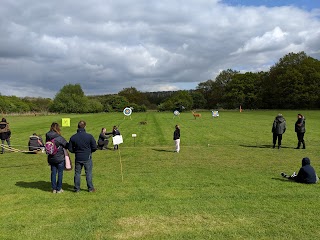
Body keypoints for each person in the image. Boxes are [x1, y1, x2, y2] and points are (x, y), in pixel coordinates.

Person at [68, 120, 97, 193]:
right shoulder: (89, 136)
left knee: (77, 173)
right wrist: (89, 151)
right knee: (88, 173)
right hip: (87, 156)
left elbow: (70, 148)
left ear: (77, 127)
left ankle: (77, 188)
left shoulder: (73, 137)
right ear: (85, 126)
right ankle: (90, 188)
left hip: (78, 157)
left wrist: (76, 151)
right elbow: (94, 147)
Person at [46, 122, 69, 193]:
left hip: (51, 157)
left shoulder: (47, 136)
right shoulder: (59, 137)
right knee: (60, 173)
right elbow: (66, 145)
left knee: (53, 173)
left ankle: (54, 188)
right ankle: (59, 188)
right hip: (59, 158)